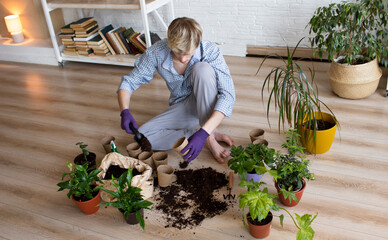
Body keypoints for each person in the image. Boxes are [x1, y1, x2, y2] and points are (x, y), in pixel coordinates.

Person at [117, 17, 235, 163]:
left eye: (189, 53)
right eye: (179, 53)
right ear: (170, 44)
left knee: (202, 69)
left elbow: (228, 96)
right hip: (183, 106)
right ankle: (202, 131)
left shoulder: (209, 51)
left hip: (208, 103)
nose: (184, 59)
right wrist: (125, 111)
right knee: (142, 137)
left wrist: (204, 134)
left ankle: (209, 136)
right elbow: (129, 82)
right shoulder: (156, 52)